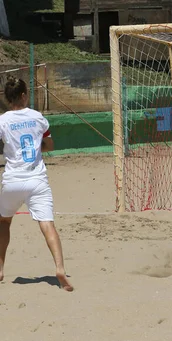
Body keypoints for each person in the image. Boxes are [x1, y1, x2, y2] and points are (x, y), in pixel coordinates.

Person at [0, 76, 73, 291]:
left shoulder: (2, 120)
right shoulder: (38, 117)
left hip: (12, 180)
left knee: (4, 222)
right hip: (37, 180)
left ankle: (1, 268)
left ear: (7, 98)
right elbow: (49, 145)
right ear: (24, 95)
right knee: (47, 224)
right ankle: (59, 268)